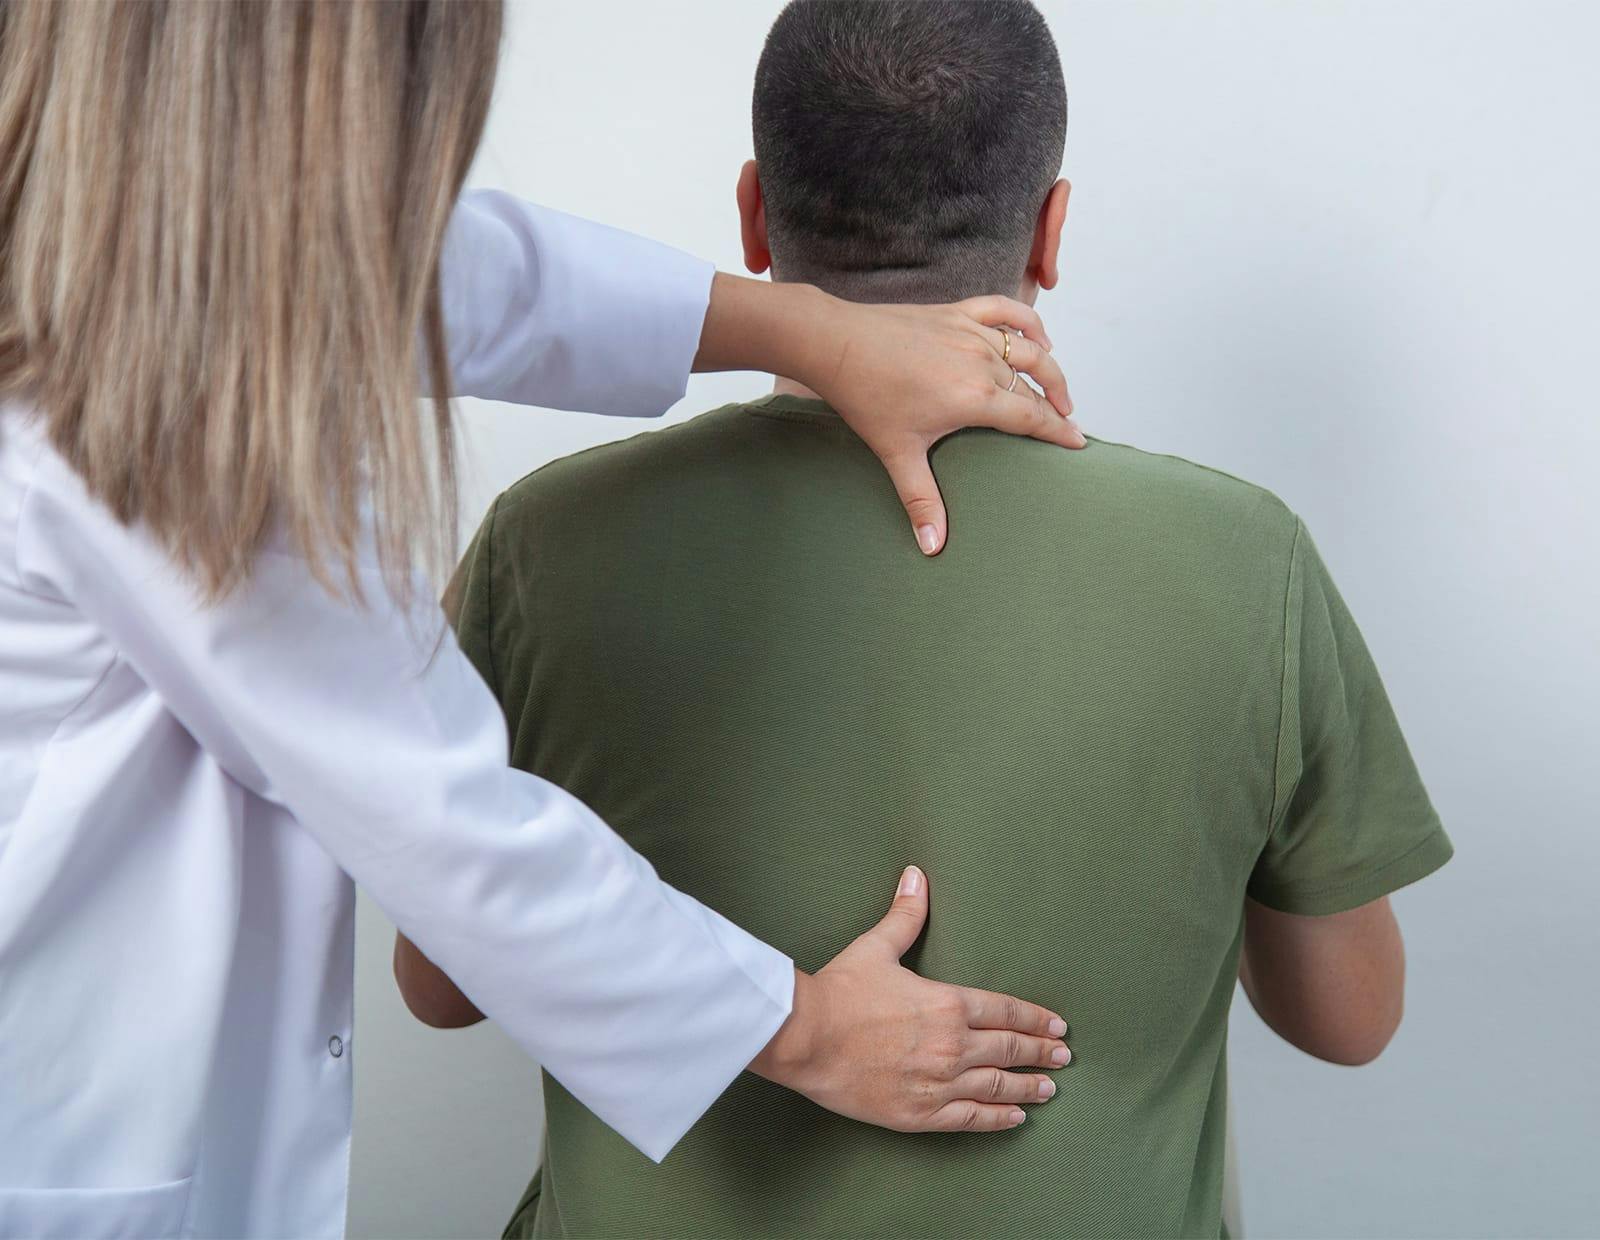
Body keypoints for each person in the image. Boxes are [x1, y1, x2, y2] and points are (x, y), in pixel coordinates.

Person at [0, 4, 1085, 1238]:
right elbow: (435, 823)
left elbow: (437, 267)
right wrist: (806, 1028)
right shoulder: (147, 408)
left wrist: (818, 331)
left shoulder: (120, 240)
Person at [394, 3, 1454, 1236]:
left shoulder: (546, 538)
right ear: (1051, 229)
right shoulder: (1246, 559)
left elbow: (438, 985)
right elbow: (1348, 1017)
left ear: (753, 215)